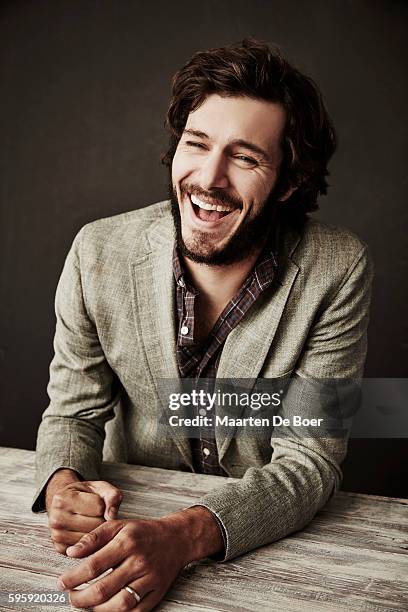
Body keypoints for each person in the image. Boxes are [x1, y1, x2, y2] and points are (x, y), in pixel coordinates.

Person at [32, 39, 372, 611]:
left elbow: (311, 458)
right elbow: (72, 411)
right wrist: (65, 484)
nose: (207, 178)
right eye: (197, 144)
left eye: (245, 157)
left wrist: (183, 537)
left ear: (287, 182)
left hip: (264, 552)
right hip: (120, 520)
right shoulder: (97, 251)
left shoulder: (337, 269)